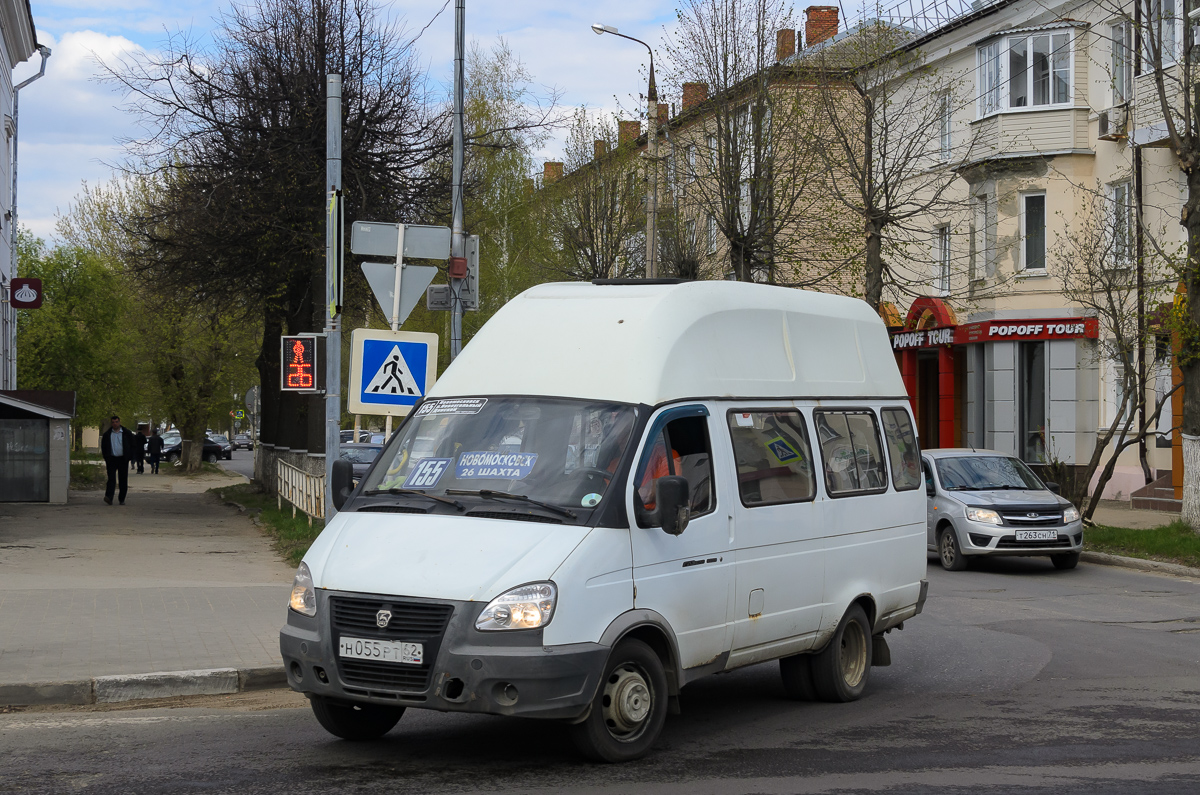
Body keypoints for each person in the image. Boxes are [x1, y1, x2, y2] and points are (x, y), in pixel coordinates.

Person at [100, 415, 137, 505]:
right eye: (113, 422)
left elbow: (133, 445)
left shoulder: (126, 433)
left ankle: (122, 498)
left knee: (123, 479)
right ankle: (109, 497)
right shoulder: (107, 434)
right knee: (111, 479)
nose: (115, 424)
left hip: (123, 459)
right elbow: (104, 447)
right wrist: (106, 457)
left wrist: (130, 457)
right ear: (111, 423)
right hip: (112, 459)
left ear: (119, 422)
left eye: (116, 422)